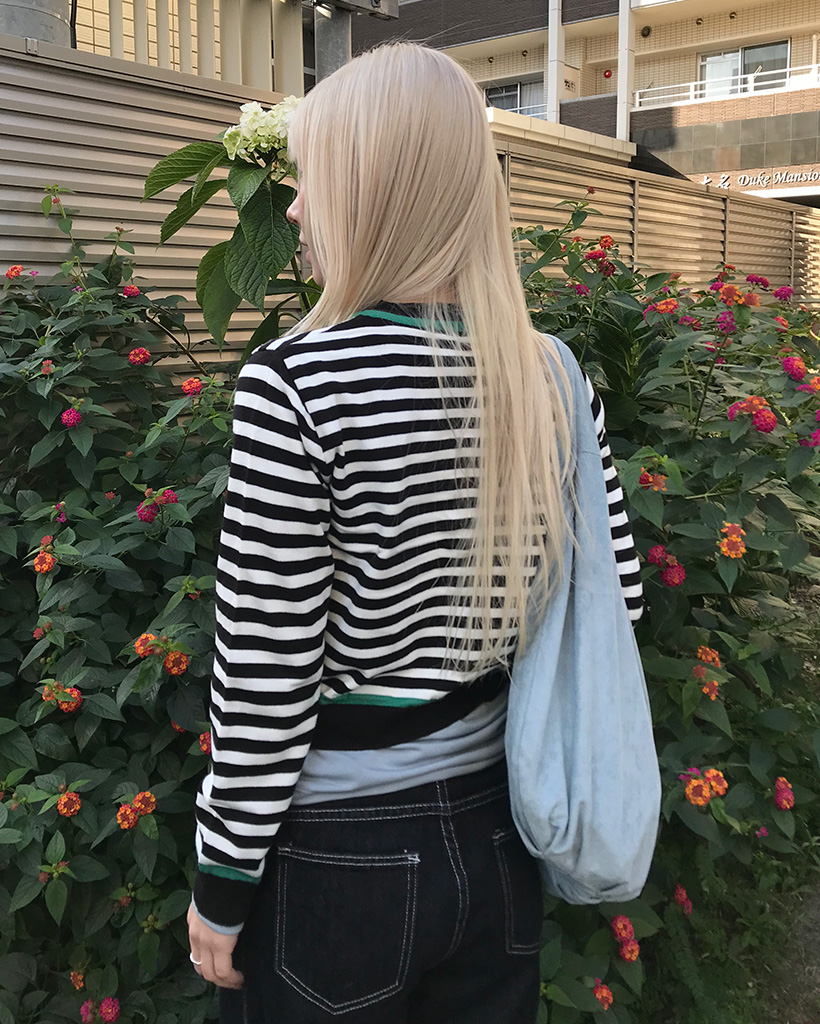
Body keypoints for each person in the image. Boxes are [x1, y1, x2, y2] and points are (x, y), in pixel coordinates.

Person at [187, 42, 643, 1024]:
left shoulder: (297, 382)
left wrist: (222, 880)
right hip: (499, 837)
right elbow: (620, 600)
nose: (294, 210)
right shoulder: (552, 375)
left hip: (336, 856)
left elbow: (266, 673)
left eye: (313, 179)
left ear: (375, 194)